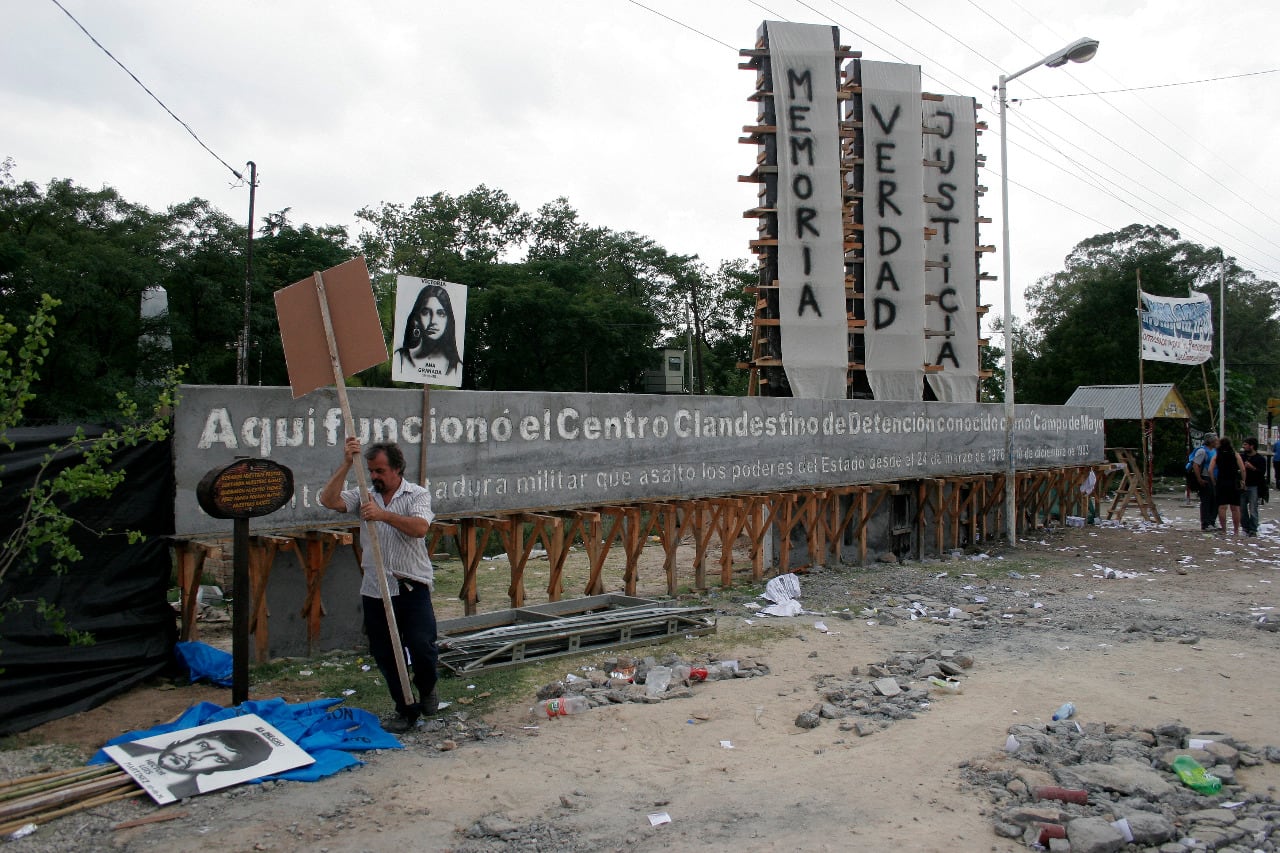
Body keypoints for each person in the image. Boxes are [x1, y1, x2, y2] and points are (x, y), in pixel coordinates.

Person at [320, 436, 439, 732]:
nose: (374, 477)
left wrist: (383, 515)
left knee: (422, 646)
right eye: (371, 471)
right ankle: (405, 709)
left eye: (380, 471)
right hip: (375, 588)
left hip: (411, 585)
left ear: (397, 469)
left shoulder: (416, 495)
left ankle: (426, 689)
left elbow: (420, 528)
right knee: (386, 653)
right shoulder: (363, 494)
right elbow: (328, 500)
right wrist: (348, 463)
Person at [114, 729, 274, 800]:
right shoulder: (127, 750)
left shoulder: (179, 791)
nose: (194, 756)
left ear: (217, 769)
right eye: (203, 745)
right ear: (192, 738)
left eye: (218, 759)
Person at [395, 283, 462, 381]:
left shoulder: (457, 367)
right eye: (426, 313)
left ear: (448, 321)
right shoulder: (400, 358)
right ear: (416, 319)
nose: (433, 321)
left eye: (441, 313)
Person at [1209, 436, 1244, 535]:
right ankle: (1236, 530)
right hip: (1233, 482)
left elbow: (1210, 470)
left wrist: (1213, 481)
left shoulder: (1217, 455)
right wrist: (1243, 480)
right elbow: (1242, 469)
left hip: (1221, 482)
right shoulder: (1235, 454)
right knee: (1235, 508)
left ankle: (1224, 529)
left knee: (1222, 507)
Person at [1190, 433, 1218, 531]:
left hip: (1215, 478)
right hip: (1206, 477)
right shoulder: (1202, 451)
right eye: (1215, 440)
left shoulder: (1215, 451)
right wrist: (1199, 479)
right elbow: (1195, 465)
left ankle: (1212, 521)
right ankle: (1206, 523)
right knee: (1206, 501)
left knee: (1215, 501)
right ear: (1211, 441)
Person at [1240, 437, 1265, 536]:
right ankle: (1245, 527)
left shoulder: (1260, 459)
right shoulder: (1242, 457)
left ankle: (1253, 529)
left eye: (1246, 444)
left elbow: (1262, 472)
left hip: (1254, 486)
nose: (1244, 446)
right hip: (1243, 486)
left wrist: (1252, 468)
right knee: (1242, 509)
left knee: (1253, 508)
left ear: (1252, 446)